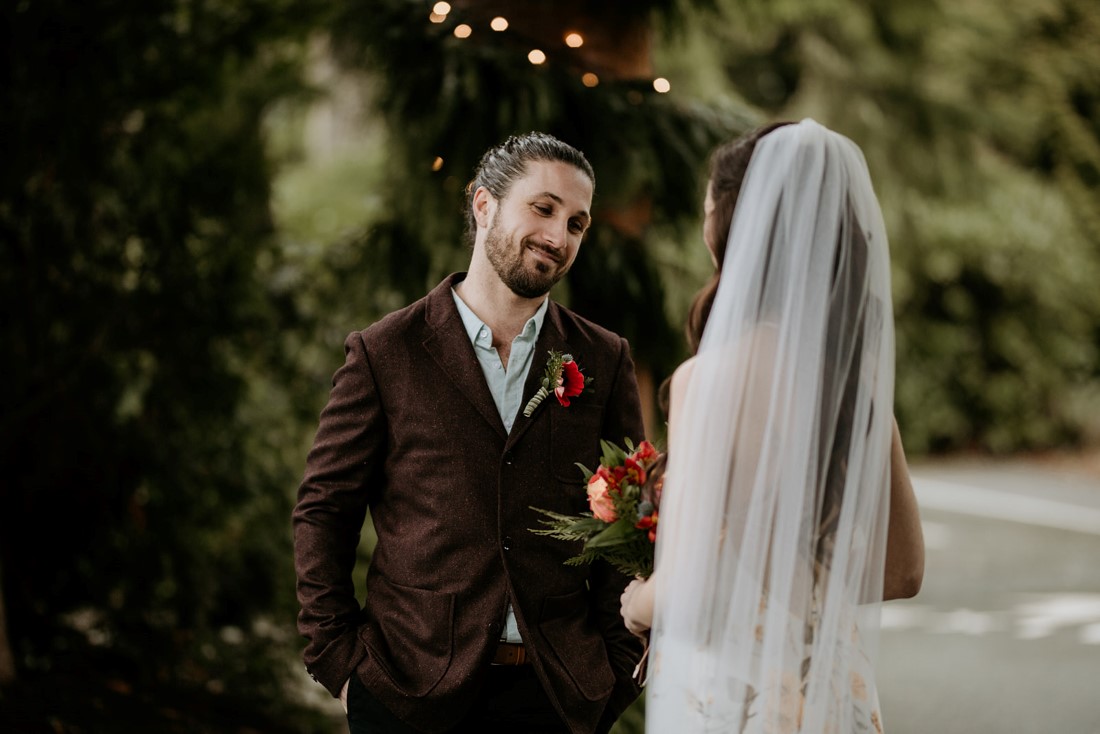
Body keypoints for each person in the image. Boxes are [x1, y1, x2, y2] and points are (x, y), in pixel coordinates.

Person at [292, 132, 646, 734]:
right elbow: (325, 510)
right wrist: (341, 662)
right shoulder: (385, 353)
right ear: (484, 206)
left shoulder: (604, 359)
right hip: (407, 693)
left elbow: (628, 525)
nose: (558, 238)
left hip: (558, 697)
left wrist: (616, 672)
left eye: (577, 223)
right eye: (543, 208)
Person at [619, 119, 925, 732]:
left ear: (734, 226)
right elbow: (903, 572)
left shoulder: (707, 382)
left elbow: (693, 592)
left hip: (742, 699)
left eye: (710, 206)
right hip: (837, 696)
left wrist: (639, 600)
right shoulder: (858, 394)